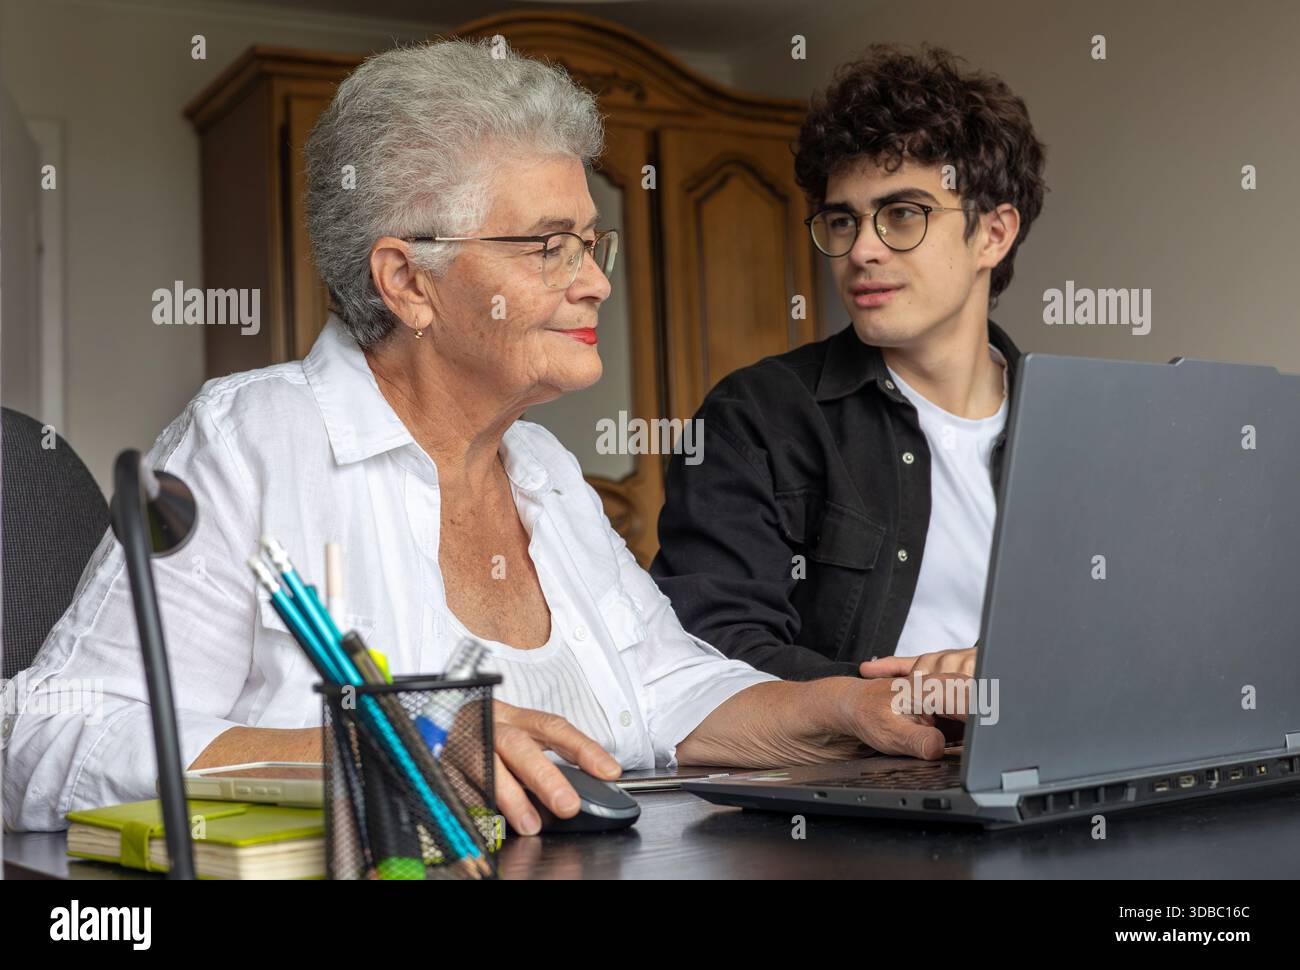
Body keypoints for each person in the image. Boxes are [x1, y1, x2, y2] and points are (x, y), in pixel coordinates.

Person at [2, 39, 963, 836]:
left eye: (592, 244)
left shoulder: (540, 469)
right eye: (550, 247)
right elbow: (43, 738)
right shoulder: (252, 442)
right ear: (409, 281)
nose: (594, 281)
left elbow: (670, 691)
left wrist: (848, 706)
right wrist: (400, 745)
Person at [652, 44, 1047, 684]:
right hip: (865, 772)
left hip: (1065, 766)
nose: (861, 250)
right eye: (842, 221)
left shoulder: (1075, 428)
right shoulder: (755, 418)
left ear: (994, 234)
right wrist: (914, 695)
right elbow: (710, 654)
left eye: (901, 215)